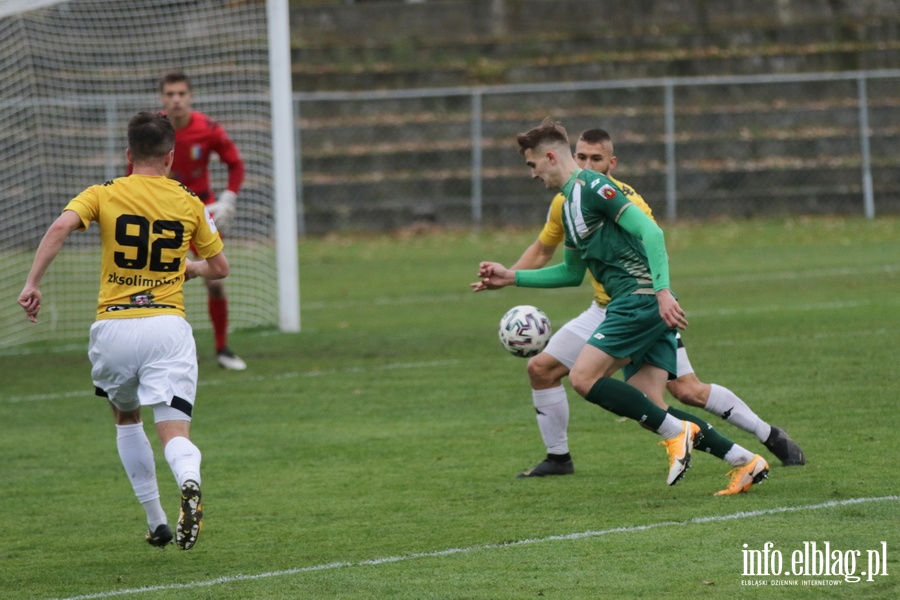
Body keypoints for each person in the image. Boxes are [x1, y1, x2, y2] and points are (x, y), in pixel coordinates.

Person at [475, 128, 804, 479]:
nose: (532, 173)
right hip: (623, 304)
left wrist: (662, 291)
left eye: (533, 164)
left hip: (639, 301)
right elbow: (572, 272)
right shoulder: (567, 204)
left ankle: (684, 433)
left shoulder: (595, 188)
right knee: (650, 406)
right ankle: (746, 462)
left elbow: (652, 233)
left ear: (551, 157)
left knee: (587, 378)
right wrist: (512, 277)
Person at [19, 112, 229, 548]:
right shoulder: (190, 201)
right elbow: (219, 268)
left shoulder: (103, 193)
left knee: (126, 415)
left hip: (114, 326)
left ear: (129, 154)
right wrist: (186, 270)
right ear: (171, 156)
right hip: (166, 326)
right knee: (173, 427)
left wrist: (32, 283)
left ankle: (156, 523)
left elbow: (60, 227)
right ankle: (188, 480)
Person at [158, 69, 247, 370]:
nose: (176, 100)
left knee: (215, 280)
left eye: (181, 94)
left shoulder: (207, 129)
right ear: (163, 98)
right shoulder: (154, 129)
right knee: (163, 283)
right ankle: (173, 349)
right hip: (164, 215)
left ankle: (222, 349)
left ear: (190, 97)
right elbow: (135, 173)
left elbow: (235, 164)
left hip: (201, 213)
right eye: (170, 94)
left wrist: (228, 199)